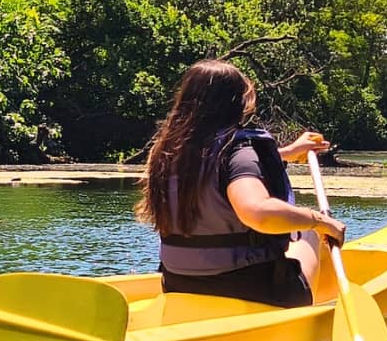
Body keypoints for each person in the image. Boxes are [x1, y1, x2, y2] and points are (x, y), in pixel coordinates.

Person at [135, 59, 345, 307]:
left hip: (179, 286)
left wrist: (288, 152)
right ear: (237, 103)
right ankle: (327, 308)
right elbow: (258, 212)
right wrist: (320, 221)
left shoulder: (169, 152)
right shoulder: (237, 150)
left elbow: (217, 170)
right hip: (249, 290)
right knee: (312, 233)